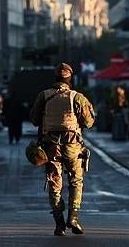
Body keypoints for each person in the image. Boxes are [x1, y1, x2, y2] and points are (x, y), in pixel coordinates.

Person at [29, 63, 95, 236]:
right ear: (69, 78)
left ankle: (59, 223)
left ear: (55, 78)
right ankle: (73, 217)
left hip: (51, 147)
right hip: (73, 146)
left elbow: (34, 119)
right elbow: (89, 122)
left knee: (54, 182)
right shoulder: (77, 97)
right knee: (75, 181)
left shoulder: (44, 96)